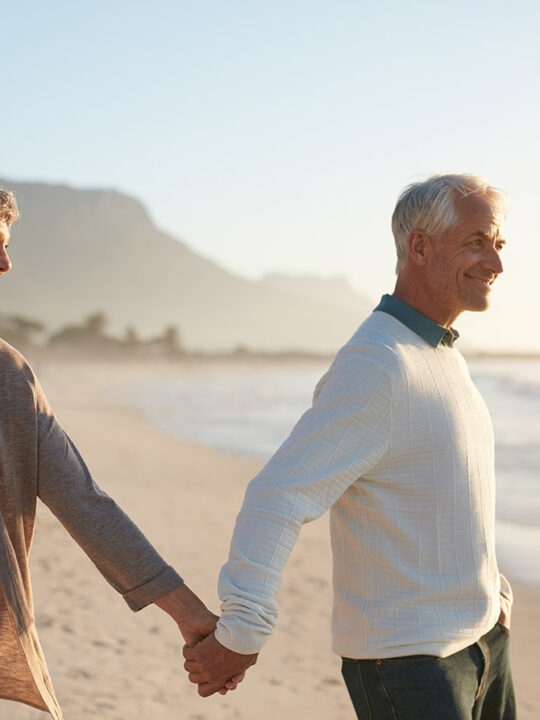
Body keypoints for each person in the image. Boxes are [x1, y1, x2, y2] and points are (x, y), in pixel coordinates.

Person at [184, 174, 516, 719]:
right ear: (419, 246)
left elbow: (449, 490)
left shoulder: (439, 354)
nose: (496, 264)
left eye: (499, 245)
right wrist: (242, 630)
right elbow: (278, 497)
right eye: (477, 241)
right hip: (412, 665)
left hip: (483, 645)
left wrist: (493, 594)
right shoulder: (377, 364)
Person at [0, 189, 240, 720]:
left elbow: (85, 503)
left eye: (7, 247)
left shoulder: (9, 375)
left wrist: (190, 615)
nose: (7, 264)